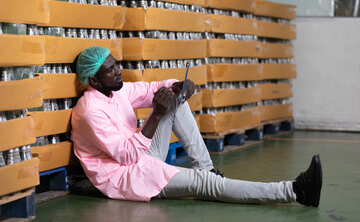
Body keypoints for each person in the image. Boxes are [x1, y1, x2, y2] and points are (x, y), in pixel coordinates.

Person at [71, 46, 323, 206]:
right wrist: (156, 115)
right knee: (207, 186)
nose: (119, 71)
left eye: (117, 64)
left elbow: (149, 90)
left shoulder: (114, 91)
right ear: (93, 79)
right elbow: (127, 155)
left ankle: (207, 169)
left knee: (173, 100)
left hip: (141, 157)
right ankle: (294, 191)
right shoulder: (91, 111)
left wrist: (178, 85)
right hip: (127, 176)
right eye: (111, 69)